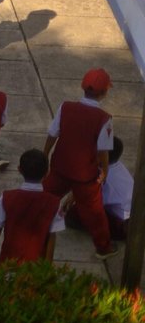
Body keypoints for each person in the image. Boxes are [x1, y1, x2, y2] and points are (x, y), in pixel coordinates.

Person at [43, 68, 118, 259]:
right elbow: (103, 151)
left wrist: (45, 155)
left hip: (60, 167)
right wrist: (105, 171)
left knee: (44, 197)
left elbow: (52, 134)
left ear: (82, 87)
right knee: (95, 213)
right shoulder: (104, 119)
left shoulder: (65, 107)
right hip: (85, 176)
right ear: (104, 92)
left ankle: (31, 226)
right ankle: (103, 247)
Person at [0, 150, 63, 271]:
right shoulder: (54, 203)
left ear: (19, 170)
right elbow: (52, 235)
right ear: (47, 173)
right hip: (36, 266)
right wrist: (47, 267)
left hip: (9, 262)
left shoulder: (7, 197)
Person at [104, 140, 133, 245]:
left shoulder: (104, 177)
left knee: (76, 213)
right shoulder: (118, 165)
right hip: (131, 210)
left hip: (123, 222)